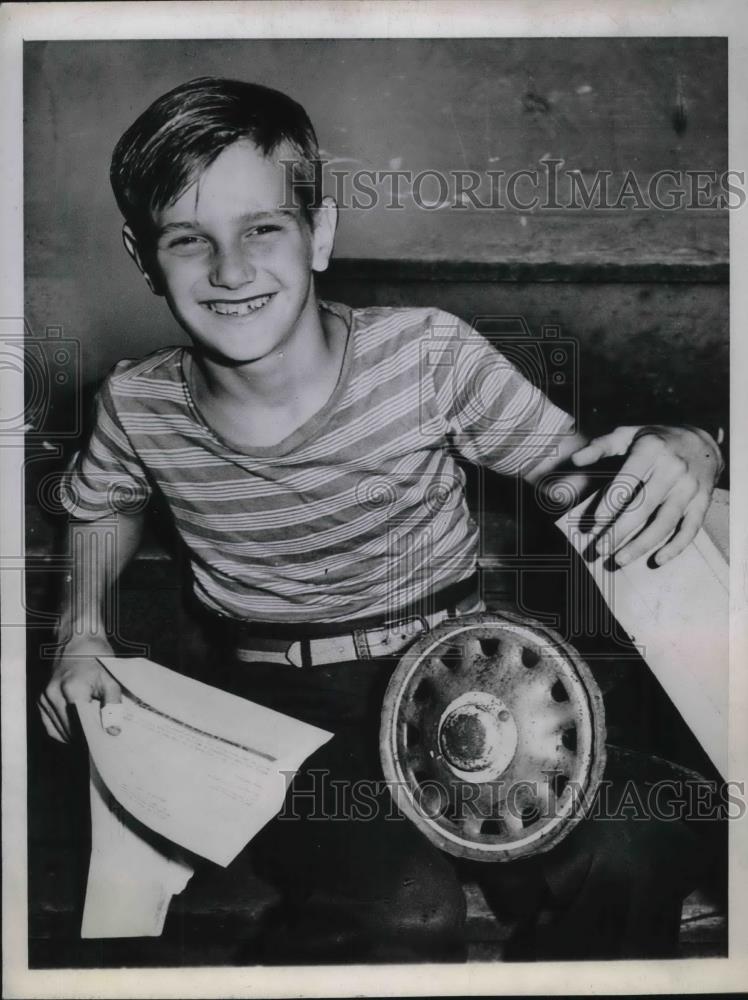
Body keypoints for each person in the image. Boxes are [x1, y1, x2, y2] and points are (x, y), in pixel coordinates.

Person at [39, 77, 723, 963]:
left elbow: (590, 485)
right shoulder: (138, 405)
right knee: (407, 912)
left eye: (262, 229)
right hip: (280, 711)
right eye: (187, 241)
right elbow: (103, 502)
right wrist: (80, 632)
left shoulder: (428, 355)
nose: (232, 270)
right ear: (143, 258)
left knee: (643, 837)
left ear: (318, 235)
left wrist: (697, 449)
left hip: (467, 668)